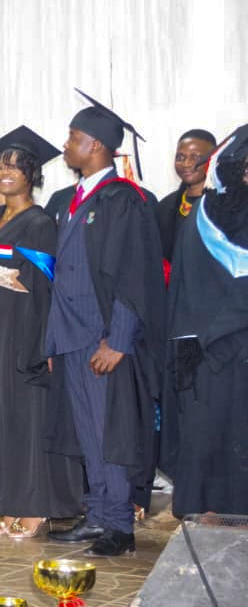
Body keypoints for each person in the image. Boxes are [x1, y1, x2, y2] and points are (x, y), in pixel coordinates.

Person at [45, 93, 165, 556]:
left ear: (95, 146)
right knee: (87, 433)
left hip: (104, 339)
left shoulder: (123, 200)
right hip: (72, 338)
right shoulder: (74, 199)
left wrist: (118, 340)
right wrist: (54, 341)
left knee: (110, 434)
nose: (66, 145)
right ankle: (96, 516)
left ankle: (119, 525)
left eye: (73, 138)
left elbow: (134, 274)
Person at [0, 127, 84, 538]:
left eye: (17, 167)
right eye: (3, 164)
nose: (7, 172)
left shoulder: (39, 223)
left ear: (32, 175)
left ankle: (36, 508)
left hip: (25, 332)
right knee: (0, 416)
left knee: (29, 419)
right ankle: (10, 499)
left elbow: (44, 285)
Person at [161, 124, 248, 517]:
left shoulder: (210, 213)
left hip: (229, 346)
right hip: (201, 347)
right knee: (200, 435)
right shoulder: (204, 214)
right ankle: (203, 515)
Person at [156, 130, 216, 261]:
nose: (186, 164)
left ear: (212, 159)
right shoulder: (165, 206)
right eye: (180, 157)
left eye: (196, 157)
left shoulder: (225, 205)